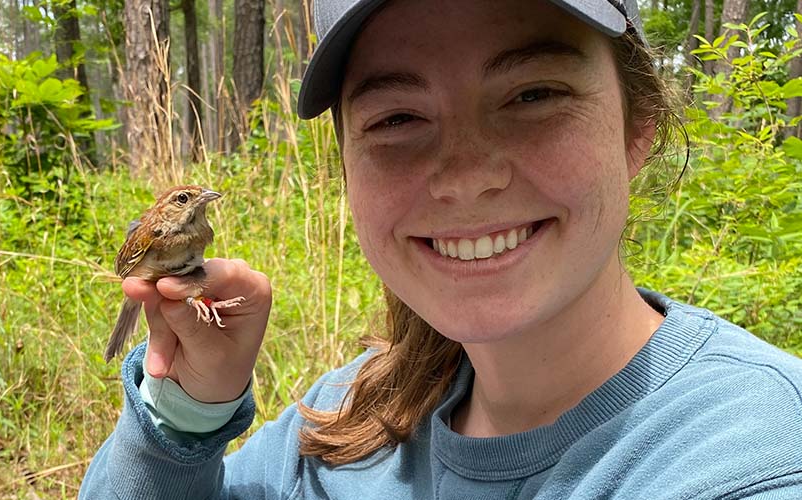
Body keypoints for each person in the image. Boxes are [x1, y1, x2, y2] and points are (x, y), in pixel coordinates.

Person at [80, 0, 802, 497]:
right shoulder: (352, 415)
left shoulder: (751, 458)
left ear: (638, 124)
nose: (464, 177)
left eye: (532, 95)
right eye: (398, 117)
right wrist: (188, 412)